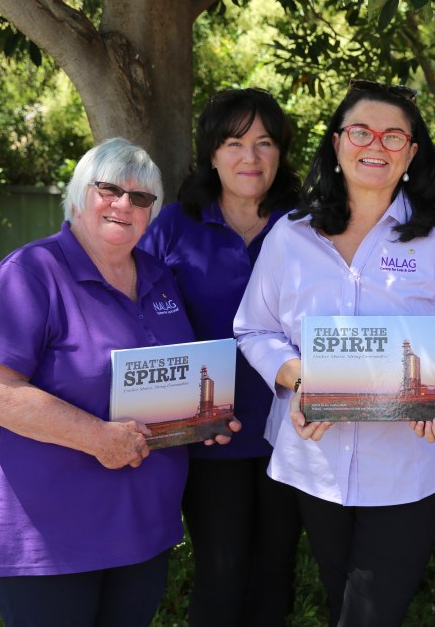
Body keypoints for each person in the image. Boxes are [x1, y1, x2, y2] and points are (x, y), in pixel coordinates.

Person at [234, 79, 435, 627]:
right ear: (337, 142)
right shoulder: (291, 235)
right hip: (316, 461)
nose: (376, 145)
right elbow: (254, 330)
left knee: (369, 614)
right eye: (361, 131)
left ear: (411, 153)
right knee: (342, 602)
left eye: (393, 135)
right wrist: (301, 378)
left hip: (410, 461)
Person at [0, 138, 232, 626]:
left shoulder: (159, 276)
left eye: (140, 197)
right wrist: (96, 437)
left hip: (141, 529)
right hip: (47, 533)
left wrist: (200, 418)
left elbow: (170, 375)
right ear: (79, 194)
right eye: (109, 189)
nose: (124, 204)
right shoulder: (31, 273)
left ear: (151, 213)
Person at [139, 88, 303, 626]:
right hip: (210, 437)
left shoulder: (309, 226)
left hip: (294, 431)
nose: (250, 157)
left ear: (280, 152)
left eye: (264, 143)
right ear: (211, 153)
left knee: (276, 574)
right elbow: (139, 321)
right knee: (221, 575)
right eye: (234, 143)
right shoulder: (174, 226)